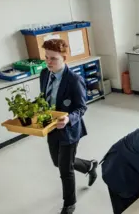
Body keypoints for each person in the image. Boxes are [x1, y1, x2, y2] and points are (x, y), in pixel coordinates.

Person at [40, 39, 98, 214]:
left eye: (53, 59)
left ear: (64, 58)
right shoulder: (44, 74)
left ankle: (69, 204)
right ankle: (89, 166)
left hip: (69, 130)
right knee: (58, 162)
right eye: (46, 58)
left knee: (65, 170)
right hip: (51, 127)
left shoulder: (74, 80)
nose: (49, 62)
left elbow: (82, 107)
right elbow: (44, 98)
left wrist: (68, 119)